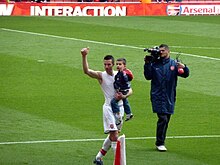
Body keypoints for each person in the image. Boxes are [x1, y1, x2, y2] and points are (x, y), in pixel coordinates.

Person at [81, 47, 132, 165]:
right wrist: (84, 56)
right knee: (114, 135)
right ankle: (118, 162)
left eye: (109, 64)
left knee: (114, 134)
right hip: (108, 108)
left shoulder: (119, 75)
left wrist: (124, 97)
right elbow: (87, 71)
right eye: (105, 64)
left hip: (120, 108)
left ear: (113, 64)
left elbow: (130, 90)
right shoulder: (101, 75)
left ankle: (98, 157)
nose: (106, 66)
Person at [143, 44, 189, 152]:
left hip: (170, 95)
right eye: (160, 50)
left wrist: (184, 67)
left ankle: (161, 140)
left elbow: (185, 74)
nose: (161, 52)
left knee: (166, 119)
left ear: (168, 51)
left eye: (163, 50)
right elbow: (148, 76)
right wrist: (147, 64)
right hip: (157, 95)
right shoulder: (155, 63)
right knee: (162, 118)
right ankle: (160, 142)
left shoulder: (174, 64)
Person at [111, 58, 134, 123]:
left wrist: (118, 88)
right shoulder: (120, 73)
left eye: (120, 64)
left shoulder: (123, 73)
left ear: (124, 66)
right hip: (124, 90)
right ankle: (129, 114)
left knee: (113, 102)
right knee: (125, 101)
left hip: (123, 91)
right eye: (117, 64)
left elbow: (125, 80)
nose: (118, 66)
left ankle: (118, 116)